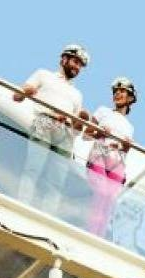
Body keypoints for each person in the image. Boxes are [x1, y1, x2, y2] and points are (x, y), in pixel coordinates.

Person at [14, 44, 90, 214]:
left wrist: (81, 120)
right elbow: (17, 96)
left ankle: (47, 214)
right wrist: (26, 91)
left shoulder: (77, 94)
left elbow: (76, 128)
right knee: (33, 168)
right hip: (45, 123)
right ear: (64, 59)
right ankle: (22, 208)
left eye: (80, 65)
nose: (77, 67)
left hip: (65, 133)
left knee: (56, 181)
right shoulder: (44, 75)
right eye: (75, 62)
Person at [85, 76, 136, 239]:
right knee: (100, 193)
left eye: (122, 91)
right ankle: (91, 234)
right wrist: (99, 133)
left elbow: (125, 151)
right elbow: (86, 135)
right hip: (100, 152)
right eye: (116, 91)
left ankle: (100, 237)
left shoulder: (130, 127)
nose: (118, 94)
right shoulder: (102, 111)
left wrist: (127, 147)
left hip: (118, 160)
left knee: (110, 199)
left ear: (130, 98)